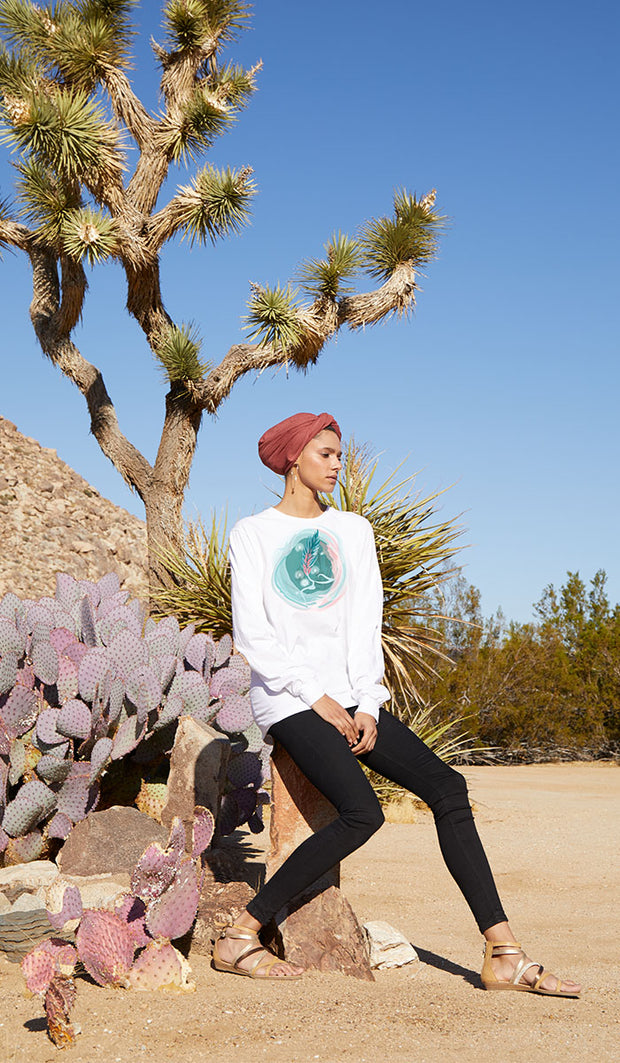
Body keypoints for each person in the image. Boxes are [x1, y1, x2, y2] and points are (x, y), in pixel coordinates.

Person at [212, 411, 581, 995]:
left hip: (352, 696)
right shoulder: (253, 534)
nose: (337, 463)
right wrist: (320, 699)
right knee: (365, 813)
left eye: (339, 454)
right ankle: (241, 935)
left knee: (447, 788)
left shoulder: (353, 530)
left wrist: (366, 701)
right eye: (326, 453)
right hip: (288, 698)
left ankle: (502, 951)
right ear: (293, 458)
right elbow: (254, 636)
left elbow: (365, 624)